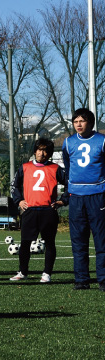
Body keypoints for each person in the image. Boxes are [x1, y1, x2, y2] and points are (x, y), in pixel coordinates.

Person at [10, 138, 68, 283]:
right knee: (25, 243)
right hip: (30, 210)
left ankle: (47, 273)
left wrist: (62, 201)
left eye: (46, 151)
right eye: (40, 149)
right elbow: (14, 186)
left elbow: (70, 184)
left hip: (48, 211)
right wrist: (19, 200)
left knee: (49, 243)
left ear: (49, 154)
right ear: (35, 151)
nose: (42, 153)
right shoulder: (24, 167)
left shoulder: (55, 168)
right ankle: (23, 272)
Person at [62, 108, 105, 291]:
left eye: (82, 121)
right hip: (76, 197)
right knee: (78, 240)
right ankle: (81, 280)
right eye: (76, 121)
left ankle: (103, 280)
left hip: (98, 195)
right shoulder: (68, 142)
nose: (78, 124)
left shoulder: (102, 141)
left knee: (101, 240)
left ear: (91, 122)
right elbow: (67, 164)